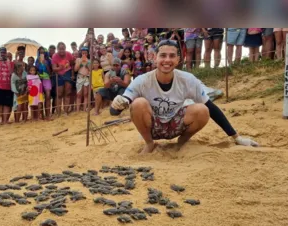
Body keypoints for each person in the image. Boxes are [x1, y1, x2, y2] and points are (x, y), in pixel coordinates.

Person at [110, 39, 259, 154]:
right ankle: (149, 144)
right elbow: (116, 110)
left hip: (176, 124)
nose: (167, 60)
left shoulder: (188, 80)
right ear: (154, 58)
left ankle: (181, 143)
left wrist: (236, 137)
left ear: (178, 60)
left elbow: (211, 108)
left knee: (202, 109)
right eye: (163, 55)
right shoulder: (142, 80)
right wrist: (117, 103)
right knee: (138, 103)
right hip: (153, 127)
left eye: (172, 56)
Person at [51, 42, 74, 116]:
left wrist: (72, 74)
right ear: (57, 49)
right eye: (60, 49)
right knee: (59, 94)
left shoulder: (69, 54)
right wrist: (59, 68)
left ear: (65, 48)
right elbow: (54, 68)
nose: (62, 50)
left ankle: (66, 111)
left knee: (67, 93)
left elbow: (72, 64)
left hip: (68, 73)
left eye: (63, 49)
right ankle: (58, 112)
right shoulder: (55, 56)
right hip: (59, 74)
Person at [35, 47, 53, 120]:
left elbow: (50, 72)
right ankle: (41, 115)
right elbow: (35, 71)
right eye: (41, 52)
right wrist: (39, 64)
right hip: (39, 80)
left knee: (48, 96)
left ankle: (48, 114)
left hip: (47, 78)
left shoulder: (49, 60)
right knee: (40, 98)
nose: (42, 53)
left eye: (43, 52)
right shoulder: (37, 60)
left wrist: (46, 65)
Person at [74, 47, 91, 112]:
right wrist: (81, 62)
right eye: (83, 53)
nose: (84, 54)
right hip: (80, 77)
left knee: (86, 94)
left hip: (86, 78)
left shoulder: (89, 60)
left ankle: (84, 109)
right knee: (78, 94)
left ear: (87, 53)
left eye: (85, 53)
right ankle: (77, 110)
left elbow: (90, 69)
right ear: (81, 53)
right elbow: (75, 69)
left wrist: (87, 62)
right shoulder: (78, 59)